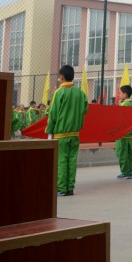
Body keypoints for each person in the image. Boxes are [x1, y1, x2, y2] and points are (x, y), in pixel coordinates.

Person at [45, 65, 88, 196]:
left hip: (61, 134)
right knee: (72, 160)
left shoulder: (58, 93)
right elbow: (84, 110)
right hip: (75, 134)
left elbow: (53, 113)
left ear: (62, 77)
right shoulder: (80, 93)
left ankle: (61, 188)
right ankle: (70, 188)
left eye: (59, 77)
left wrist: (49, 131)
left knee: (61, 161)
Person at [115, 85, 132, 179]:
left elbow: (120, 118)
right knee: (128, 153)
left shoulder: (124, 105)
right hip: (129, 133)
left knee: (122, 153)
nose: (119, 95)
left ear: (125, 94)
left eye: (120, 93)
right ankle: (129, 171)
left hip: (122, 133)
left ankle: (125, 172)